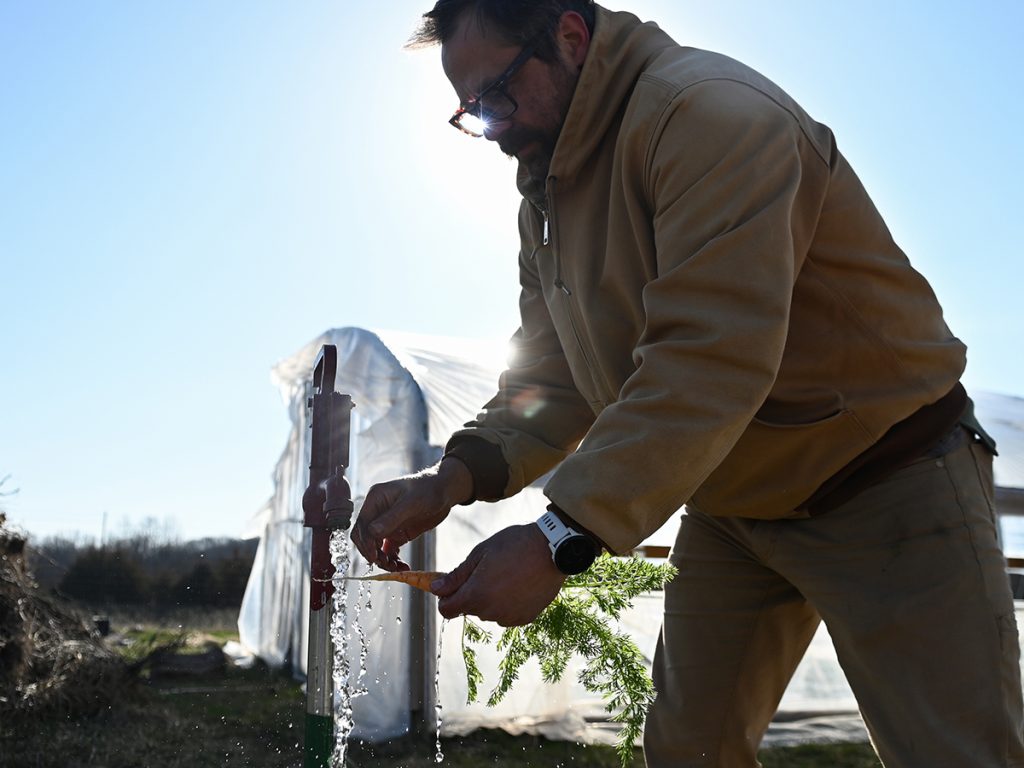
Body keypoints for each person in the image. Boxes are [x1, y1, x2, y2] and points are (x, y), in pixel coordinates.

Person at [351, 1, 1024, 765]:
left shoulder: (709, 116)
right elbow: (552, 370)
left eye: (496, 92)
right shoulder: (547, 193)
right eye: (470, 108)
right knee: (688, 753)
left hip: (886, 476)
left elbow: (710, 358)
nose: (490, 125)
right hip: (735, 507)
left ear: (570, 38)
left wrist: (557, 540)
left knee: (958, 755)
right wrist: (453, 478)